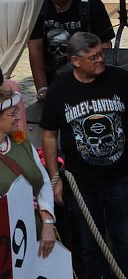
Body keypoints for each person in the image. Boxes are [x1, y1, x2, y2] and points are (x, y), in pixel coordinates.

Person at [40, 32, 128, 278]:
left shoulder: (120, 80)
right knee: (89, 246)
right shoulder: (60, 89)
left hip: (121, 177)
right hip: (81, 183)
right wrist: (55, 178)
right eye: (93, 57)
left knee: (125, 240)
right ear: (75, 61)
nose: (100, 59)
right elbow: (49, 135)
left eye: (101, 53)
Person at [0, 85, 56, 258]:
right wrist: (15, 204)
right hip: (5, 244)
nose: (18, 117)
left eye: (17, 111)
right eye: (12, 114)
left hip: (38, 234)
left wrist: (47, 223)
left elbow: (43, 182)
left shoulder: (21, 142)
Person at [27, 0, 114, 102]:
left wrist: (102, 85)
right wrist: (42, 88)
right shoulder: (39, 7)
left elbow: (105, 46)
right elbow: (35, 48)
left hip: (89, 81)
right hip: (54, 82)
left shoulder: (90, 3)